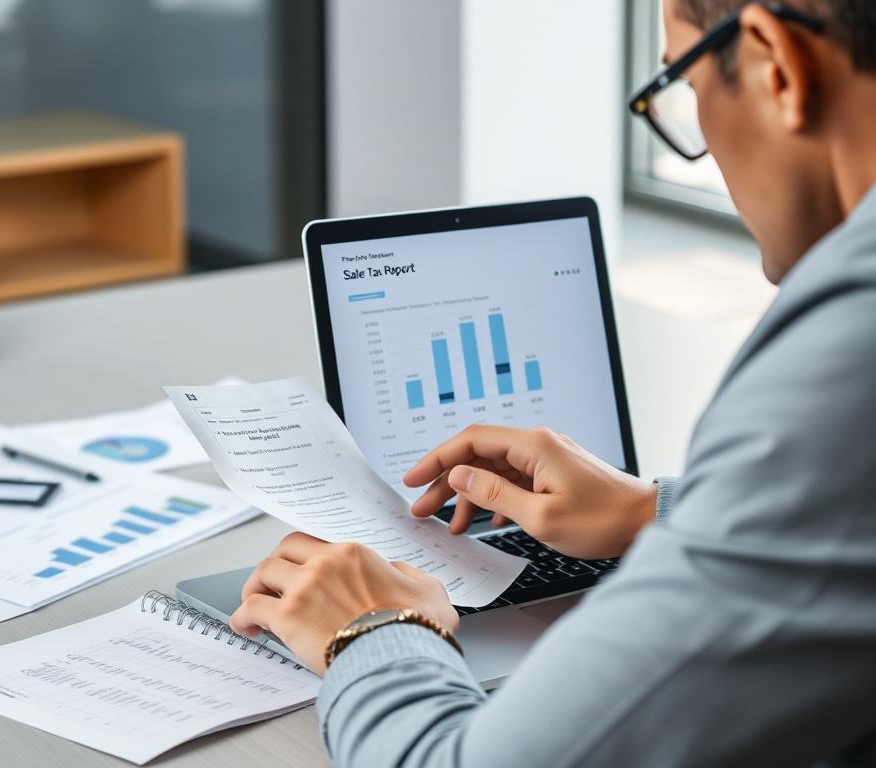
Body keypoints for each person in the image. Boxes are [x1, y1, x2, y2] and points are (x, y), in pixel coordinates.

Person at [230, 0, 876, 764]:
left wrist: (372, 628)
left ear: (776, 66)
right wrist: (654, 511)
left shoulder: (847, 351)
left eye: (686, 84)